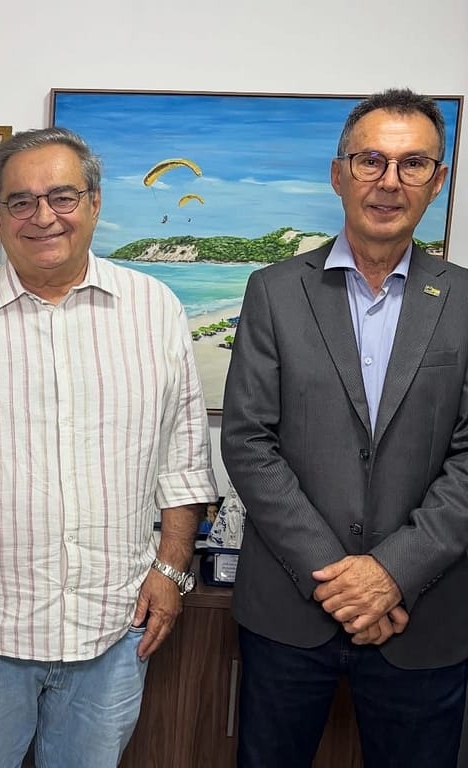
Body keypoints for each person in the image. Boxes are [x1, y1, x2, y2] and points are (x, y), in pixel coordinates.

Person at [0, 127, 218, 768]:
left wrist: (174, 571)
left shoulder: (154, 310)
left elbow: (183, 465)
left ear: (94, 203)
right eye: (21, 201)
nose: (44, 217)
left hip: (114, 630)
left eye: (62, 197)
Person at [221, 88, 468, 768]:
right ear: (339, 174)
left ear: (438, 182)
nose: (389, 181)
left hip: (424, 615)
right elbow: (248, 442)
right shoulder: (273, 291)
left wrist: (391, 573)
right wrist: (343, 581)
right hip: (288, 614)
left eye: (413, 163)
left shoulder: (465, 300)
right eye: (370, 160)